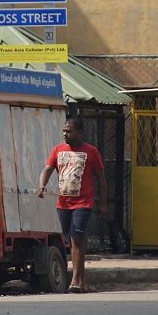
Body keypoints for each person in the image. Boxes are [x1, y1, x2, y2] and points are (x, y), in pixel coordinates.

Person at [38, 116, 107, 294]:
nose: (65, 134)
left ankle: (75, 280)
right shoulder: (58, 150)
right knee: (72, 240)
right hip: (63, 203)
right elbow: (47, 169)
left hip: (83, 202)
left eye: (69, 131)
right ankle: (82, 281)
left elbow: (101, 178)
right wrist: (42, 185)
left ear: (80, 132)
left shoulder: (91, 151)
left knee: (76, 238)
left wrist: (103, 204)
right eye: (64, 131)